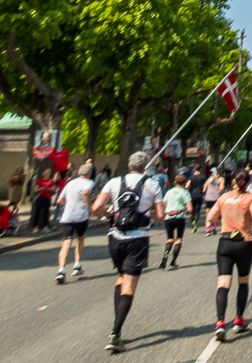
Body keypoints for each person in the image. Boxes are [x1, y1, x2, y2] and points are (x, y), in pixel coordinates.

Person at [91, 151, 165, 353]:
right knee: (130, 286)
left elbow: (96, 207)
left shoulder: (115, 182)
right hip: (138, 238)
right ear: (145, 167)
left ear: (130, 165)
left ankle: (117, 324)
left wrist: (110, 214)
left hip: (115, 237)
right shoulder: (152, 185)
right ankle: (115, 332)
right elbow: (160, 216)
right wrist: (145, 213)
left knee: (120, 277)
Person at [206, 170, 252, 341]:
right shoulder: (251, 197)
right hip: (243, 242)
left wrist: (225, 217)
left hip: (225, 242)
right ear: (248, 181)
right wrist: (248, 220)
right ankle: (239, 319)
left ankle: (220, 323)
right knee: (243, 281)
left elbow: (210, 217)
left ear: (234, 180)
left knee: (223, 283)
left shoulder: (224, 197)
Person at [56, 163, 95, 284]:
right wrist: (89, 206)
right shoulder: (89, 182)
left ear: (79, 173)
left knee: (66, 242)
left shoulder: (70, 183)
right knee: (80, 238)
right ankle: (77, 265)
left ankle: (61, 270)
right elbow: (86, 192)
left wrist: (68, 206)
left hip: (67, 216)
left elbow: (60, 200)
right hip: (81, 216)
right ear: (89, 174)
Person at [160, 174, 193, 269]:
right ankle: (173, 262)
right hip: (179, 217)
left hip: (168, 217)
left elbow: (163, 204)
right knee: (178, 239)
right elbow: (190, 209)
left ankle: (165, 255)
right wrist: (187, 211)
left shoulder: (169, 192)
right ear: (184, 183)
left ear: (175, 182)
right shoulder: (185, 193)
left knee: (170, 239)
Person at [31, 168, 56, 233]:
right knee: (38, 212)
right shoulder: (40, 181)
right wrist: (41, 189)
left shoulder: (51, 181)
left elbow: (54, 190)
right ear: (44, 173)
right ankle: (35, 227)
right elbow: (35, 190)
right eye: (47, 172)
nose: (48, 173)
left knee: (46, 212)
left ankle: (46, 226)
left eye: (49, 172)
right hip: (40, 198)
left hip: (47, 198)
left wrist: (51, 189)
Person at [188, 164, 207, 234]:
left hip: (192, 195)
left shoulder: (191, 177)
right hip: (199, 195)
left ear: (194, 169)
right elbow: (205, 187)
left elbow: (187, 185)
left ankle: (192, 222)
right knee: (198, 210)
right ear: (200, 169)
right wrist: (203, 191)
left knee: (192, 211)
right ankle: (195, 220)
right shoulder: (203, 177)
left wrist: (188, 188)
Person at [205, 167, 224, 236]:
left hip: (208, 198)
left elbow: (204, 189)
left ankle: (208, 229)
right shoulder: (221, 179)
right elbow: (221, 188)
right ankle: (214, 226)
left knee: (208, 213)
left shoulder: (209, 179)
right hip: (216, 198)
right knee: (216, 213)